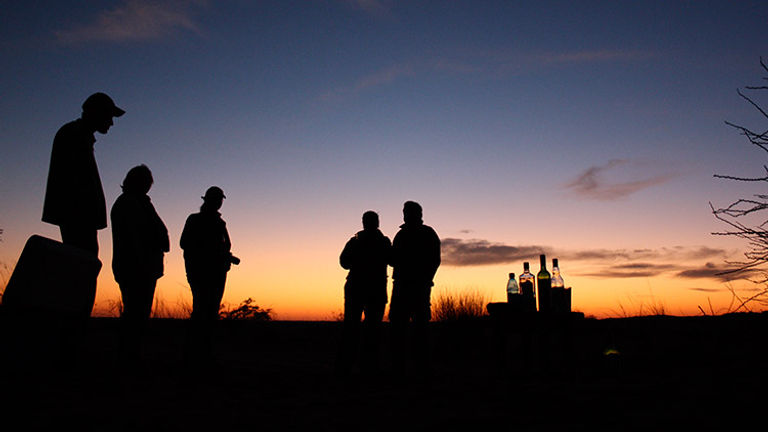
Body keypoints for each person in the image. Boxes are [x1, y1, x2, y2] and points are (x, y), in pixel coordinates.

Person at [43, 92, 125, 256]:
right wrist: (86, 213)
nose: (111, 123)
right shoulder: (74, 135)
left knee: (84, 263)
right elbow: (76, 183)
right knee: (82, 263)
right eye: (109, 116)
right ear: (97, 113)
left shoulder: (79, 135)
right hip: (78, 217)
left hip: (80, 218)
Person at [110, 165, 170, 364]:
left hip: (144, 267)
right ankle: (127, 357)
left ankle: (131, 354)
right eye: (144, 182)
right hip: (135, 267)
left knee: (139, 313)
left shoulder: (141, 203)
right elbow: (138, 236)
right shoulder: (128, 203)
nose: (147, 186)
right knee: (135, 313)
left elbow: (159, 233)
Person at [180, 186, 239, 365]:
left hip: (217, 272)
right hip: (202, 273)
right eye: (217, 199)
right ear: (209, 200)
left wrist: (225, 257)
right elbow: (185, 244)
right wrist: (215, 253)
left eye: (220, 199)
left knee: (209, 310)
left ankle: (203, 351)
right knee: (202, 310)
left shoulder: (220, 223)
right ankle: (196, 353)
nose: (219, 202)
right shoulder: (196, 220)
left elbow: (224, 246)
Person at [336, 211, 392, 377]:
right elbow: (393, 260)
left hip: (359, 289)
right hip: (370, 290)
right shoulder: (380, 242)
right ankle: (365, 367)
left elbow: (344, 262)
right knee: (370, 330)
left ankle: (348, 368)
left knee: (355, 328)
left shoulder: (356, 241)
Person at [389, 201, 441, 379]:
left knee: (419, 329)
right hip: (404, 286)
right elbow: (394, 259)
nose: (405, 214)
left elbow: (435, 259)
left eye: (408, 212)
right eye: (405, 211)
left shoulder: (426, 234)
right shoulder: (402, 235)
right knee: (399, 328)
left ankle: (421, 369)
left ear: (418, 214)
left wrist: (426, 279)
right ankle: (400, 369)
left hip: (417, 287)